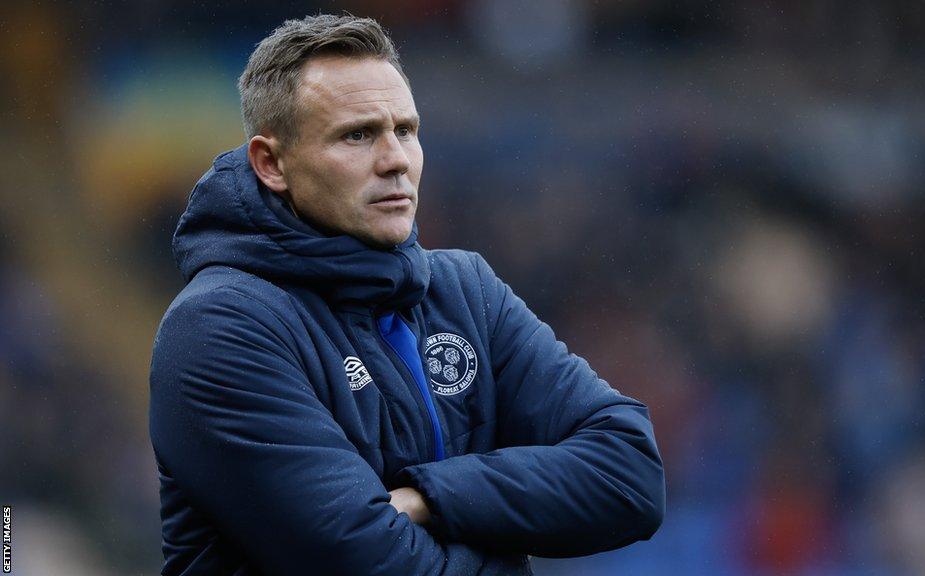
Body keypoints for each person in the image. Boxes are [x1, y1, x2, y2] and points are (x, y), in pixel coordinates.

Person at [148, 14, 665, 576]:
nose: (395, 159)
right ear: (272, 164)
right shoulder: (221, 327)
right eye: (358, 134)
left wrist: (429, 498)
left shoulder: (466, 291)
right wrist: (504, 538)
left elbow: (630, 474)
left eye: (407, 130)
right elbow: (371, 562)